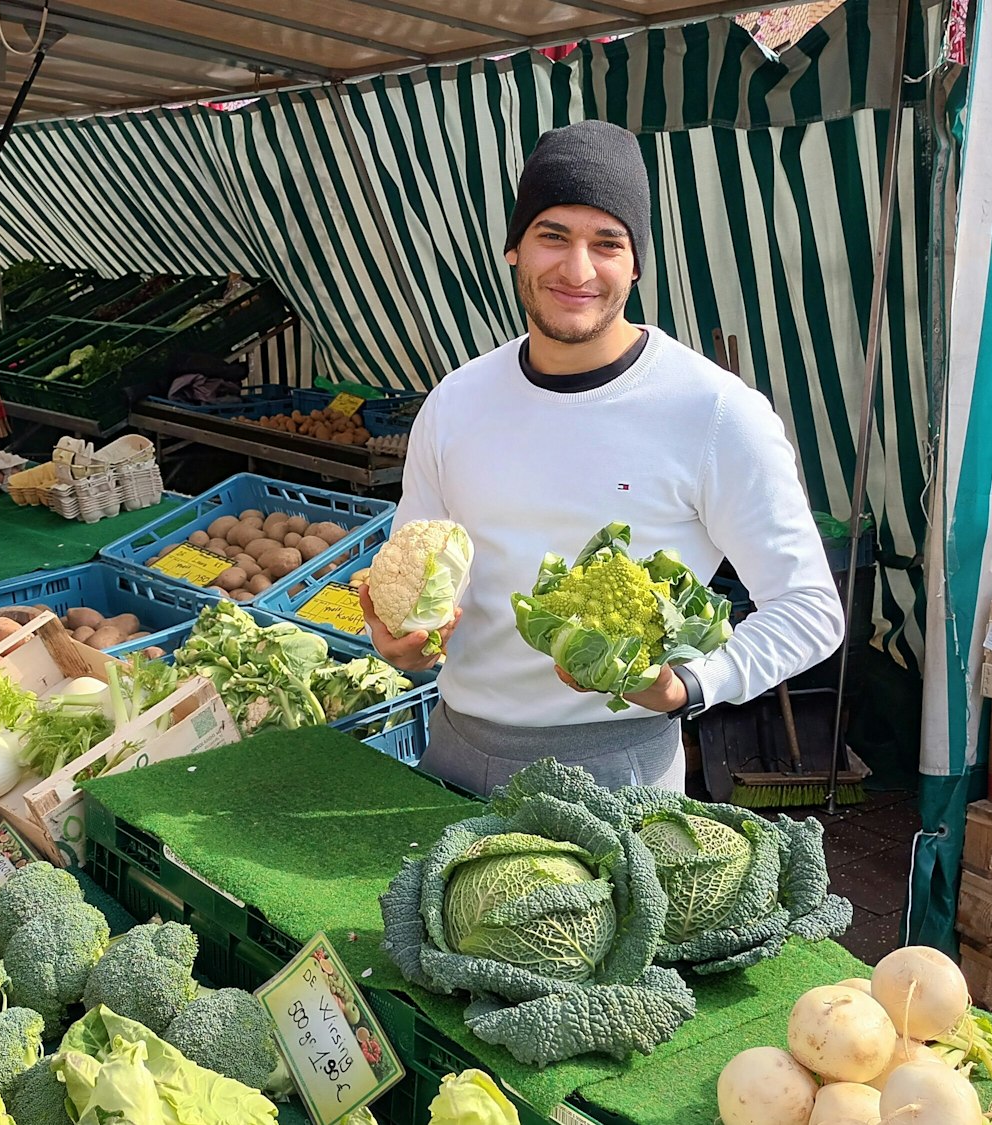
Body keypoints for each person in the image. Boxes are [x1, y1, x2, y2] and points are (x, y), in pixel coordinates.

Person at [360, 119, 846, 794]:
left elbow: (809, 609)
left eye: (608, 243)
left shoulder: (714, 412)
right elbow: (423, 572)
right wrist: (404, 638)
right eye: (552, 236)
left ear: (636, 264)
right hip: (455, 751)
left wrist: (688, 684)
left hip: (621, 771)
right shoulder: (455, 402)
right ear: (514, 248)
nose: (578, 269)